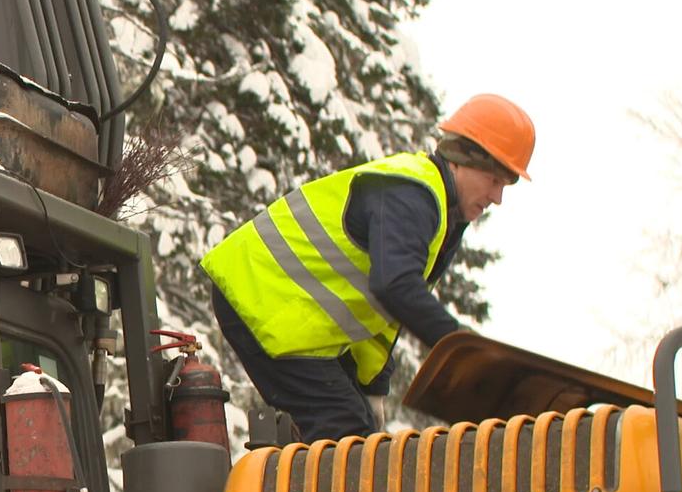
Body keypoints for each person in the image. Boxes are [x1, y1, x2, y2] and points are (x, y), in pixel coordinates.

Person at [200, 93, 534, 442]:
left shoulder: (441, 215)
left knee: (357, 433)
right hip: (258, 296)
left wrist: (372, 387)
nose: (497, 198)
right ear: (462, 159)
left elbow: (383, 314)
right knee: (345, 433)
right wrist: (468, 351)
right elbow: (395, 286)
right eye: (495, 181)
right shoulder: (412, 195)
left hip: (287, 311)